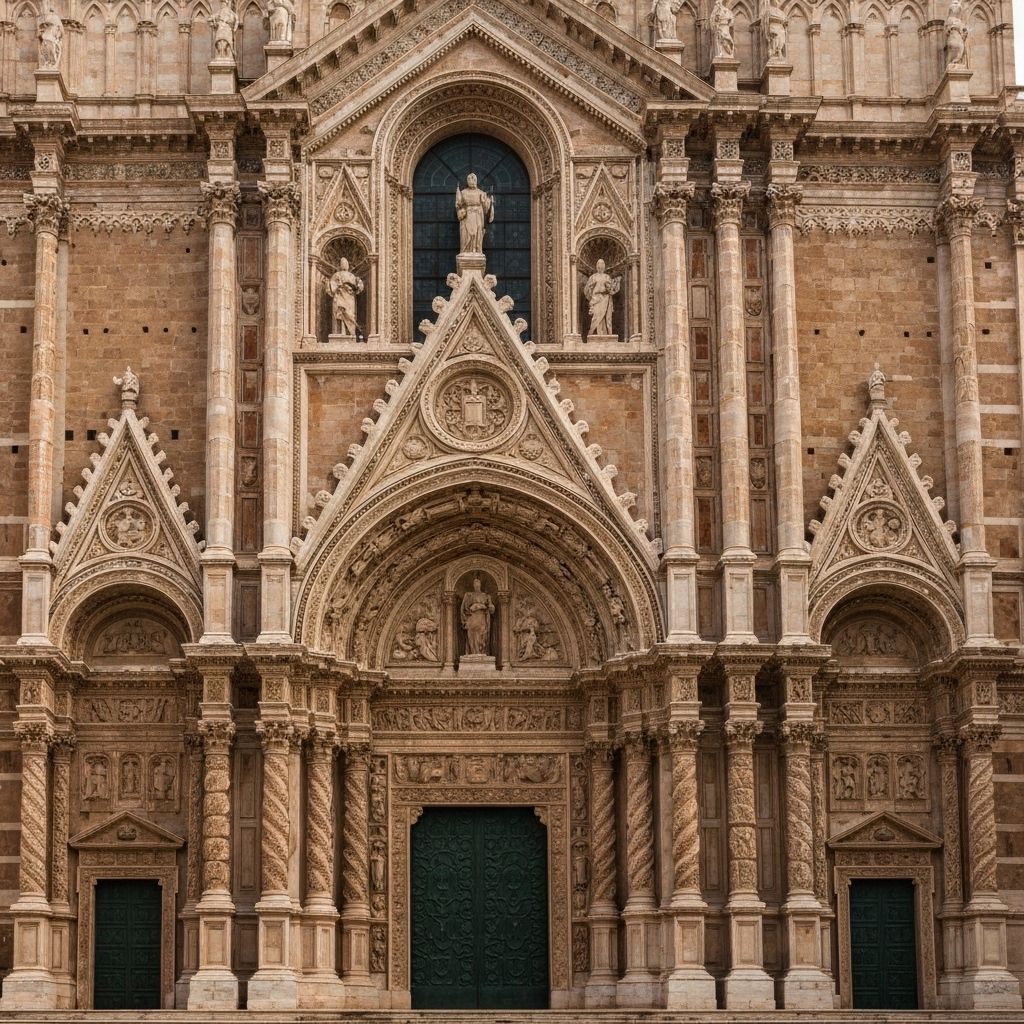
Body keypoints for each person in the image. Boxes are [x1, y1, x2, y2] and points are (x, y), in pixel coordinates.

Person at [455, 173, 494, 254]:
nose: (472, 181)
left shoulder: (481, 193)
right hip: (467, 217)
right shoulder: (463, 192)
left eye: (474, 180)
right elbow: (458, 205)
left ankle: (476, 250)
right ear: (467, 181)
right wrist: (460, 210)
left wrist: (489, 201)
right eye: (469, 180)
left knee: (477, 234)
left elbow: (486, 207)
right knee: (466, 235)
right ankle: (466, 251)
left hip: (478, 216)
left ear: (476, 181)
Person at [583, 259, 622, 338]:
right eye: (599, 264)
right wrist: (592, 297)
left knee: (605, 317)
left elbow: (610, 289)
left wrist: (616, 282)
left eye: (602, 264)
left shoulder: (607, 277)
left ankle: (606, 335)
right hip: (596, 299)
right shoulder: (593, 277)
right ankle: (591, 334)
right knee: (596, 317)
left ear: (604, 266)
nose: (600, 266)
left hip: (605, 298)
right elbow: (587, 289)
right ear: (597, 266)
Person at [327, 257, 364, 336]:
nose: (344, 265)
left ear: (348, 265)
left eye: (346, 263)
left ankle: (350, 334)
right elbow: (330, 289)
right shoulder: (336, 275)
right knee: (339, 314)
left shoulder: (352, 276)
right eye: (343, 263)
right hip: (339, 297)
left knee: (349, 315)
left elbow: (358, 288)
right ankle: (339, 333)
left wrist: (357, 284)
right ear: (340, 265)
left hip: (349, 299)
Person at [460, 576, 495, 655]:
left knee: (482, 636)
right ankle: (473, 653)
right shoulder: (468, 595)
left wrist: (481, 606)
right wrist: (464, 620)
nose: (476, 584)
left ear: (480, 584)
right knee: (471, 636)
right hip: (472, 618)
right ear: (473, 585)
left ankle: (481, 653)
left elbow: (491, 608)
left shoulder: (486, 596)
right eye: (475, 583)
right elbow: (463, 608)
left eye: (478, 583)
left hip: (482, 618)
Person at [38, 4, 63, 69]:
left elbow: (60, 29)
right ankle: (48, 63)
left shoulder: (56, 18)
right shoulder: (47, 18)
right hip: (47, 37)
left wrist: (57, 37)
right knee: (45, 50)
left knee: (52, 50)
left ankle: (52, 63)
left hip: (51, 38)